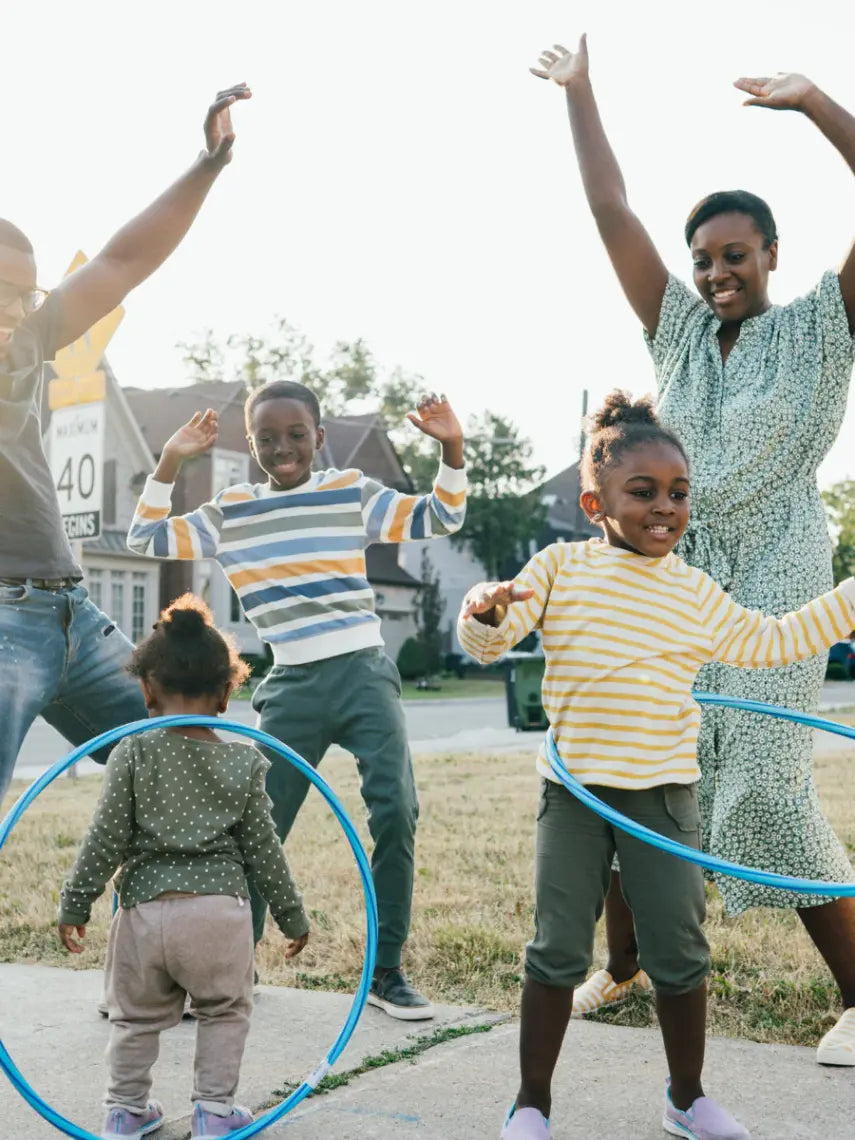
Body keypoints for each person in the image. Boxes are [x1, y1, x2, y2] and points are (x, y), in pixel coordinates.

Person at [530, 38, 855, 1062]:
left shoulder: (822, 328)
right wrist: (581, 94)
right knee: (648, 756)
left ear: (771, 255)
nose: (717, 271)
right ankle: (625, 969)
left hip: (781, 565)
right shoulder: (672, 331)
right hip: (672, 571)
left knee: (763, 777)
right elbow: (609, 213)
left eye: (736, 254)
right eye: (705, 256)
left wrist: (817, 107)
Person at [458, 391, 855, 1140]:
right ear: (593, 501)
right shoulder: (558, 569)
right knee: (556, 947)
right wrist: (481, 611)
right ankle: (530, 1104)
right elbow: (496, 635)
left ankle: (686, 1097)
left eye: (677, 493)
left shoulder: (694, 590)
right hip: (574, 794)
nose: (665, 508)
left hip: (664, 796)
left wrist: (846, 599)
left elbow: (769, 642)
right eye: (641, 492)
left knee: (678, 949)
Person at [126, 380, 466, 1020]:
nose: (282, 448)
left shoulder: (350, 492)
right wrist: (171, 460)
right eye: (267, 438)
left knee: (397, 811)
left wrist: (451, 448)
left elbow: (441, 517)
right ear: (251, 443)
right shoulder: (231, 511)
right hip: (290, 685)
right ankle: (232, 968)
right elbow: (145, 539)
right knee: (257, 829)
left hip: (364, 673)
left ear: (319, 437)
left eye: (296, 435)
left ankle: (386, 970)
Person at [0, 82, 252, 806]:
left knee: (192, 782)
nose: (20, 310)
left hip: (74, 616)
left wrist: (206, 166)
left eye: (28, 293)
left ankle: (193, 920)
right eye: (3, 291)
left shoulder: (27, 345)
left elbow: (119, 263)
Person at [57, 594, 309, 1140]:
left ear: (145, 688)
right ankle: (215, 1112)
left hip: (145, 914)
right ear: (226, 692)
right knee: (223, 1011)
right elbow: (265, 850)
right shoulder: (244, 759)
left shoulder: (132, 751)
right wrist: (292, 916)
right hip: (220, 915)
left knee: (135, 1018)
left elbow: (105, 839)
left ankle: (125, 1111)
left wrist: (76, 903)